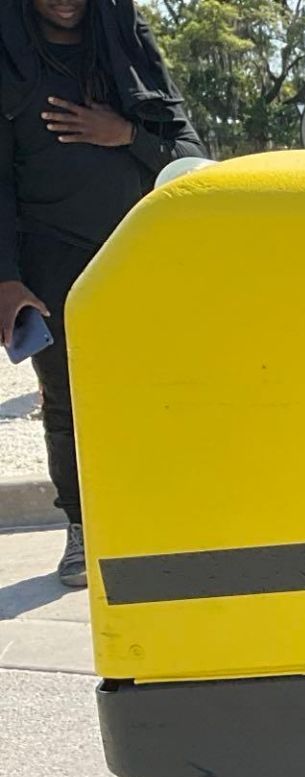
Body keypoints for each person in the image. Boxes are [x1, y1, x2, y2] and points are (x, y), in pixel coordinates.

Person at [0, 0, 202, 587]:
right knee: (66, 405)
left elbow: (190, 158)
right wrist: (7, 278)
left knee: (157, 395)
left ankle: (164, 524)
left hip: (139, 257)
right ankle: (84, 531)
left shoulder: (125, 44)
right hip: (50, 261)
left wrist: (126, 134)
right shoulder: (10, 57)